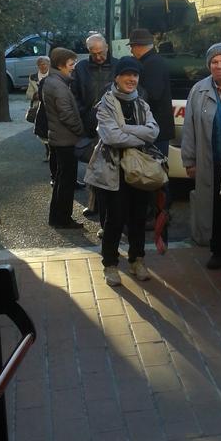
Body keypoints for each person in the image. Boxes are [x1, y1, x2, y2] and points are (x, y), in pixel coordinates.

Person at [85, 56, 159, 286]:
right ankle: (111, 265)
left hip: (138, 171)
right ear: (116, 77)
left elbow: (153, 132)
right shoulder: (105, 103)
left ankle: (137, 260)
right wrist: (138, 134)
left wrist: (125, 129)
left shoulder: (142, 103)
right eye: (127, 74)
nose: (131, 79)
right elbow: (110, 137)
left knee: (138, 219)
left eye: (135, 75)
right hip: (112, 171)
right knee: (114, 220)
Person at [181, 42, 221, 267]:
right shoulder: (198, 90)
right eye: (215, 62)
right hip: (211, 162)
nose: (219, 66)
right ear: (209, 66)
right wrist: (189, 160)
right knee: (215, 208)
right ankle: (220, 251)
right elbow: (189, 128)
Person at [71, 33, 118, 219]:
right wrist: (84, 113)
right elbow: (74, 94)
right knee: (92, 166)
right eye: (94, 53)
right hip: (90, 123)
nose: (98, 57)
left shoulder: (117, 65)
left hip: (112, 124)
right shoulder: (81, 67)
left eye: (101, 52)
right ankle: (93, 204)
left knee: (110, 166)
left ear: (107, 47)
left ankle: (109, 208)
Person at [43, 47, 86, 229]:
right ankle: (63, 219)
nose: (73, 67)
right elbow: (66, 115)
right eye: (71, 64)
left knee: (62, 180)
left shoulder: (53, 82)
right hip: (65, 140)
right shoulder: (58, 86)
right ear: (60, 65)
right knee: (66, 182)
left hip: (59, 139)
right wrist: (80, 130)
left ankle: (57, 218)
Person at [128, 28, 175, 156]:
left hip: (155, 130)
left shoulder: (152, 63)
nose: (131, 51)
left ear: (139, 46)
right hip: (153, 129)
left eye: (132, 47)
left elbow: (153, 94)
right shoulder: (151, 61)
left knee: (153, 172)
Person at [26, 55, 51, 162]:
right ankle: (48, 151)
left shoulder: (53, 75)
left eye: (45, 64)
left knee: (51, 130)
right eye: (40, 64)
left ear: (49, 65)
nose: (42, 66)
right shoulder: (33, 77)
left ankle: (51, 152)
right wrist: (36, 95)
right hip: (39, 108)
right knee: (43, 131)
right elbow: (28, 93)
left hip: (51, 108)